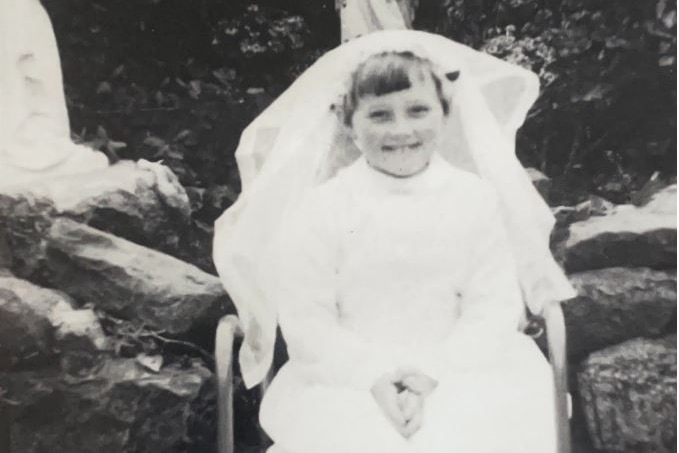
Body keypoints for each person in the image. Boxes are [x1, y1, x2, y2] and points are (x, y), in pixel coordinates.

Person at [213, 30, 576, 453]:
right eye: (379, 115)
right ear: (349, 124)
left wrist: (433, 374)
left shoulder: (474, 199)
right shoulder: (323, 207)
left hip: (464, 368)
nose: (400, 130)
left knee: (474, 432)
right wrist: (372, 376)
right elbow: (307, 317)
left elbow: (493, 305)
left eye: (417, 110)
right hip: (347, 377)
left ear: (444, 114)